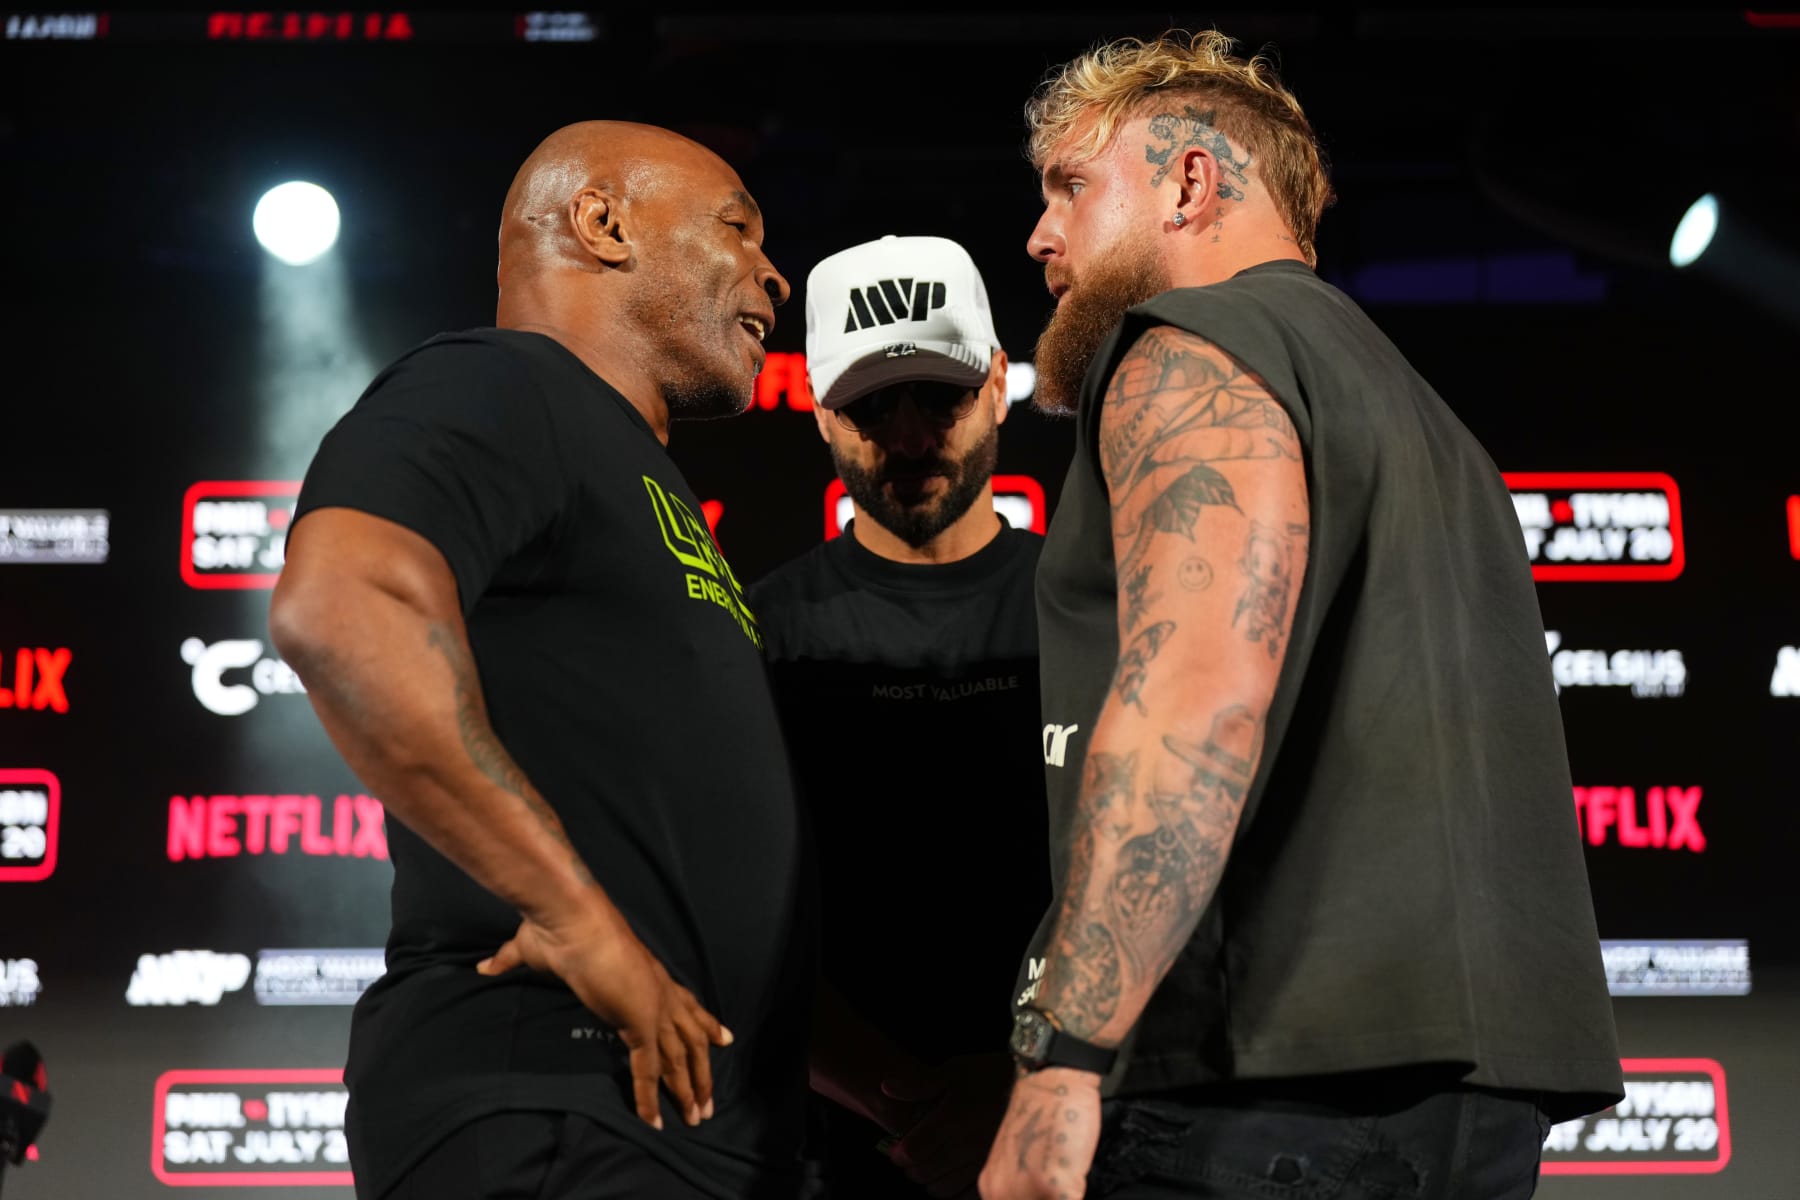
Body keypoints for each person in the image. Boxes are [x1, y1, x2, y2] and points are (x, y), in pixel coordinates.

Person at [978, 30, 1624, 1200]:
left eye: (1071, 185)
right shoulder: (1434, 424)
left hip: (1252, 1095)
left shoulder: (1187, 353)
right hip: (1473, 1109)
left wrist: (1064, 1056)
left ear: (1190, 182)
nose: (1040, 235)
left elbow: (1195, 695)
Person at [268, 120, 815, 1200]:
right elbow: (341, 605)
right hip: (551, 1106)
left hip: (678, 1130)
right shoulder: (509, 384)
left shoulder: (633, 471)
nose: (774, 275)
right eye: (736, 228)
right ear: (602, 222)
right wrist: (575, 918)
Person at [749, 235, 1049, 1198]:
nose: (912, 436)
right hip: (836, 1146)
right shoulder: (759, 630)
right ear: (822, 416)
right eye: (872, 406)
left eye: (941, 396)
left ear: (999, 385)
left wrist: (1035, 1082)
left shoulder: (1102, 608)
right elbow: (734, 914)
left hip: (1076, 1130)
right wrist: (915, 1109)